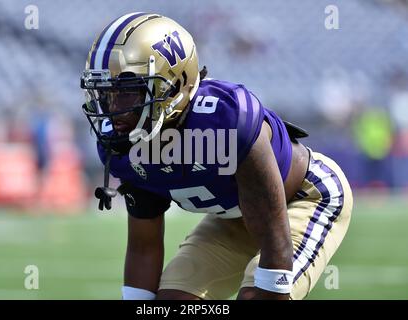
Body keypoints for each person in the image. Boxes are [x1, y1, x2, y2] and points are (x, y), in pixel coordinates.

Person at [80, 13, 353, 300]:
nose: (113, 108)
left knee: (258, 296)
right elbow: (143, 245)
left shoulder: (226, 120)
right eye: (106, 93)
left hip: (302, 197)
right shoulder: (124, 145)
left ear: (174, 85)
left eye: (127, 93)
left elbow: (272, 229)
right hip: (236, 219)